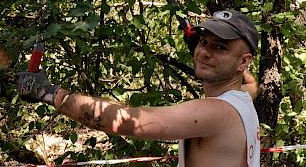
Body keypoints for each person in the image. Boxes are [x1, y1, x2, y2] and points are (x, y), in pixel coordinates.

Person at [16, 9, 261, 167]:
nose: (205, 51)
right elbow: (252, 83)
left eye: (220, 47)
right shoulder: (242, 98)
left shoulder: (216, 112)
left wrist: (50, 93)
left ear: (243, 61)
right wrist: (210, 57)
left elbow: (129, 121)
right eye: (203, 42)